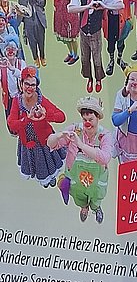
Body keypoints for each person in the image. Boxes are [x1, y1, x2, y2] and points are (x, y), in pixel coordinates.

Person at [50, 96, 114, 224]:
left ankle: (96, 208)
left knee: (96, 197)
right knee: (79, 196)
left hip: (97, 179)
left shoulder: (104, 135)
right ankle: (84, 207)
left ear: (98, 117)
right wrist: (58, 136)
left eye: (90, 119)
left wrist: (81, 145)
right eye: (84, 119)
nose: (87, 123)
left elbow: (105, 157)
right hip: (76, 177)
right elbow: (51, 145)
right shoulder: (74, 130)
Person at [67, 0, 124, 94]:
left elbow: (121, 4)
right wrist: (87, 6)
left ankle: (98, 79)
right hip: (83, 32)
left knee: (97, 58)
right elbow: (70, 8)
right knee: (84, 58)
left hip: (96, 32)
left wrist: (104, 6)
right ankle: (89, 78)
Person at [7, 65, 66, 186]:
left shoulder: (41, 101)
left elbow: (62, 116)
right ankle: (43, 179)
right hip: (26, 142)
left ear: (37, 86)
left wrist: (47, 115)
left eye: (33, 85)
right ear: (21, 83)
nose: (29, 88)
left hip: (44, 142)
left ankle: (50, 177)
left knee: (48, 162)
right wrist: (26, 119)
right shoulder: (17, 101)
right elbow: (11, 124)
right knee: (34, 164)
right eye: (26, 84)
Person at [9, 0, 47, 66]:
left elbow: (43, 2)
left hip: (38, 16)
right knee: (31, 39)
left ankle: (42, 56)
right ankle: (35, 58)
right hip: (27, 16)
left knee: (41, 38)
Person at [43, 0, 80, 64]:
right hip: (59, 15)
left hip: (70, 16)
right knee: (65, 38)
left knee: (71, 38)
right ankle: (71, 53)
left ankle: (75, 55)